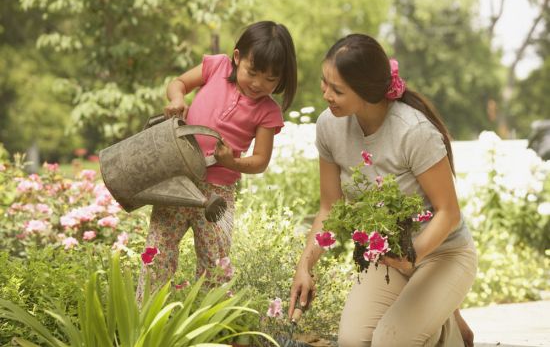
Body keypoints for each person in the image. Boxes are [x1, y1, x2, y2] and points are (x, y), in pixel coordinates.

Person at [288, 34, 477, 347]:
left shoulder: (413, 131)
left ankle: (444, 330)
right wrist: (304, 266)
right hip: (389, 259)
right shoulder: (329, 126)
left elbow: (449, 212)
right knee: (351, 341)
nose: (326, 95)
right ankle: (440, 322)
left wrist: (411, 255)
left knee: (393, 341)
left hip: (444, 254)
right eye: (325, 83)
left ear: (368, 92)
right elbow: (330, 208)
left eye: (337, 90)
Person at [137, 21, 297, 298]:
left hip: (217, 195)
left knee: (215, 266)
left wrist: (231, 162)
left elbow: (260, 160)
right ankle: (146, 321)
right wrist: (177, 100)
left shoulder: (268, 111)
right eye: (252, 72)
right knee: (158, 253)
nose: (259, 84)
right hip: (179, 180)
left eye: (271, 79)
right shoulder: (217, 68)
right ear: (237, 58)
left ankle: (209, 331)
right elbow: (178, 83)